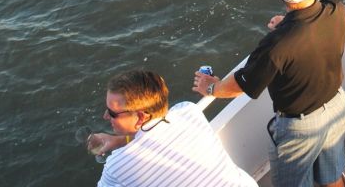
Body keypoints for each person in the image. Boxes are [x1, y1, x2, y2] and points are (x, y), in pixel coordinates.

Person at [192, 0, 345, 187]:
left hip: (302, 129)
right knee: (332, 177)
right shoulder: (336, 10)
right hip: (337, 108)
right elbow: (310, 29)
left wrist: (212, 88)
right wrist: (287, 24)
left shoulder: (276, 46)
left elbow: (241, 84)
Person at [90, 69, 257, 187]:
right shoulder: (188, 111)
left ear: (141, 117)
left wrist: (122, 144)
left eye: (112, 113)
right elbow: (155, 131)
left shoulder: (116, 166)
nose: (105, 116)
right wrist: (121, 141)